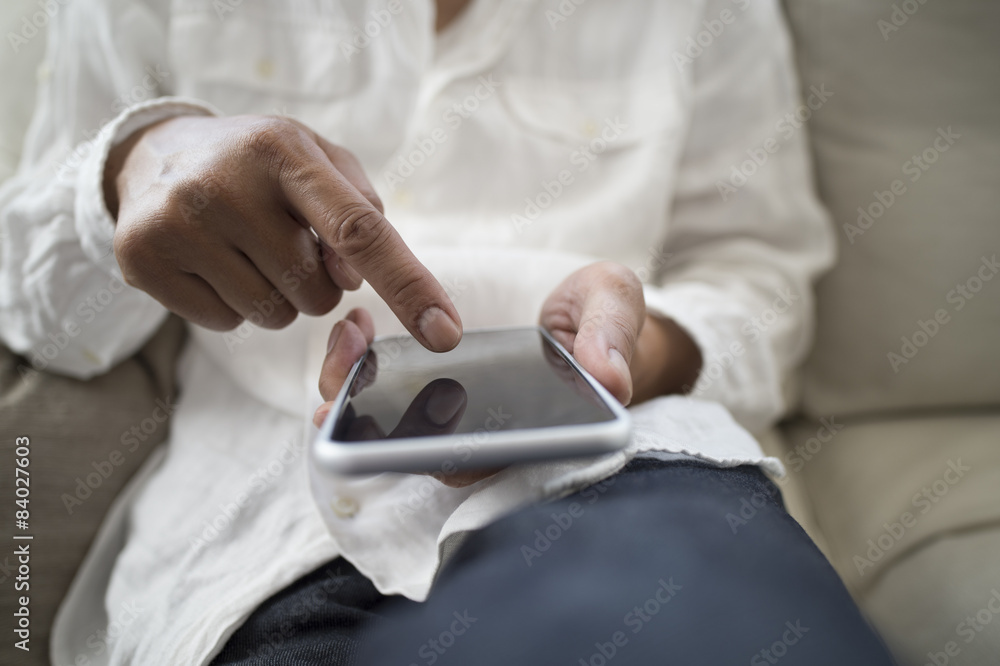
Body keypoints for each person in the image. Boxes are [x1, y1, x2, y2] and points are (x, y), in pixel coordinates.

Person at [0, 0, 896, 663]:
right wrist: (134, 166)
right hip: (259, 533)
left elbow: (762, 284)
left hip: (625, 471)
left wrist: (624, 355)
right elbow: (45, 324)